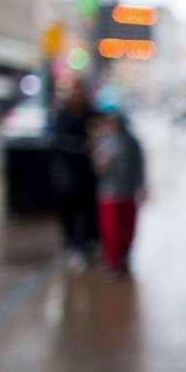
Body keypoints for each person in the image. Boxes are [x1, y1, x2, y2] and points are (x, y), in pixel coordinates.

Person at [50, 80, 100, 271]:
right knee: (68, 207)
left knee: (88, 209)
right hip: (68, 171)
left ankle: (87, 242)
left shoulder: (91, 114)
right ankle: (72, 244)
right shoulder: (64, 115)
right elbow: (56, 140)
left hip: (88, 172)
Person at [92, 108, 145, 279]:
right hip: (108, 193)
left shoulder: (132, 143)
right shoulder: (103, 141)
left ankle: (123, 255)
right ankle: (113, 261)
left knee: (127, 228)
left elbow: (139, 165)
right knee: (111, 229)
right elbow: (97, 167)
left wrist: (140, 186)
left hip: (127, 192)